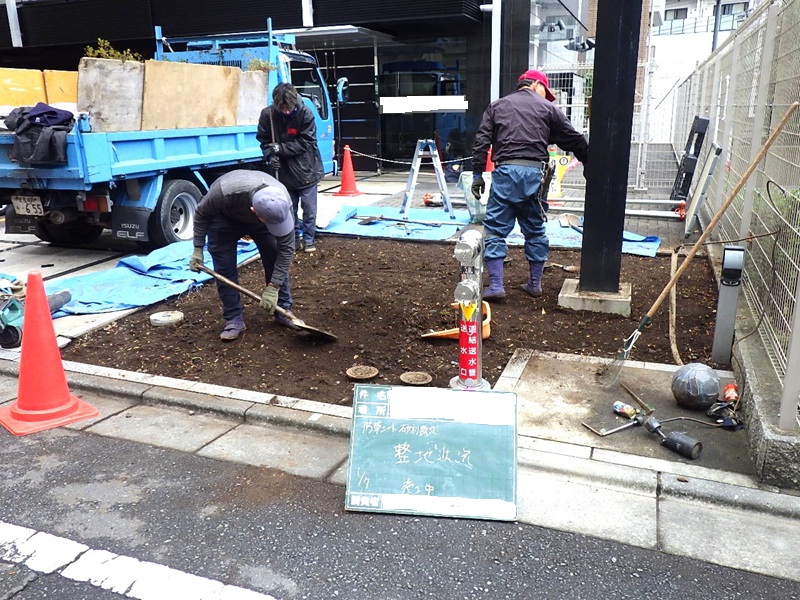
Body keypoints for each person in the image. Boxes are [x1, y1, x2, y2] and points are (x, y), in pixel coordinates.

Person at [471, 69, 589, 301]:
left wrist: (477, 174)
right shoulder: (548, 108)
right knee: (535, 228)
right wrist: (588, 162)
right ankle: (535, 284)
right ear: (536, 84)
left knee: (495, 229)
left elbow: (482, 141)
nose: (546, 97)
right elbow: (573, 138)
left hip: (506, 172)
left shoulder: (497, 106)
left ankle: (496, 286)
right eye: (546, 91)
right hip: (536, 174)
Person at [189, 169, 301, 341]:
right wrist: (198, 247)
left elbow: (286, 249)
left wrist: (274, 287)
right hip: (225, 217)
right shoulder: (223, 193)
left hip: (263, 220)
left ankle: (283, 310)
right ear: (253, 210)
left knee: (274, 255)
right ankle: (233, 318)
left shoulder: (282, 201)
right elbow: (201, 214)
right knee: (224, 266)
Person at [257, 82, 324, 253]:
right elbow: (264, 141)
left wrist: (281, 149)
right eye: (283, 109)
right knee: (288, 209)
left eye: (289, 108)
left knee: (309, 209)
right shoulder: (268, 115)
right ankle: (292, 240)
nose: (286, 112)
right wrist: (270, 155)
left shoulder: (305, 113)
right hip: (283, 172)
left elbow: (306, 142)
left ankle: (308, 239)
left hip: (306, 169)